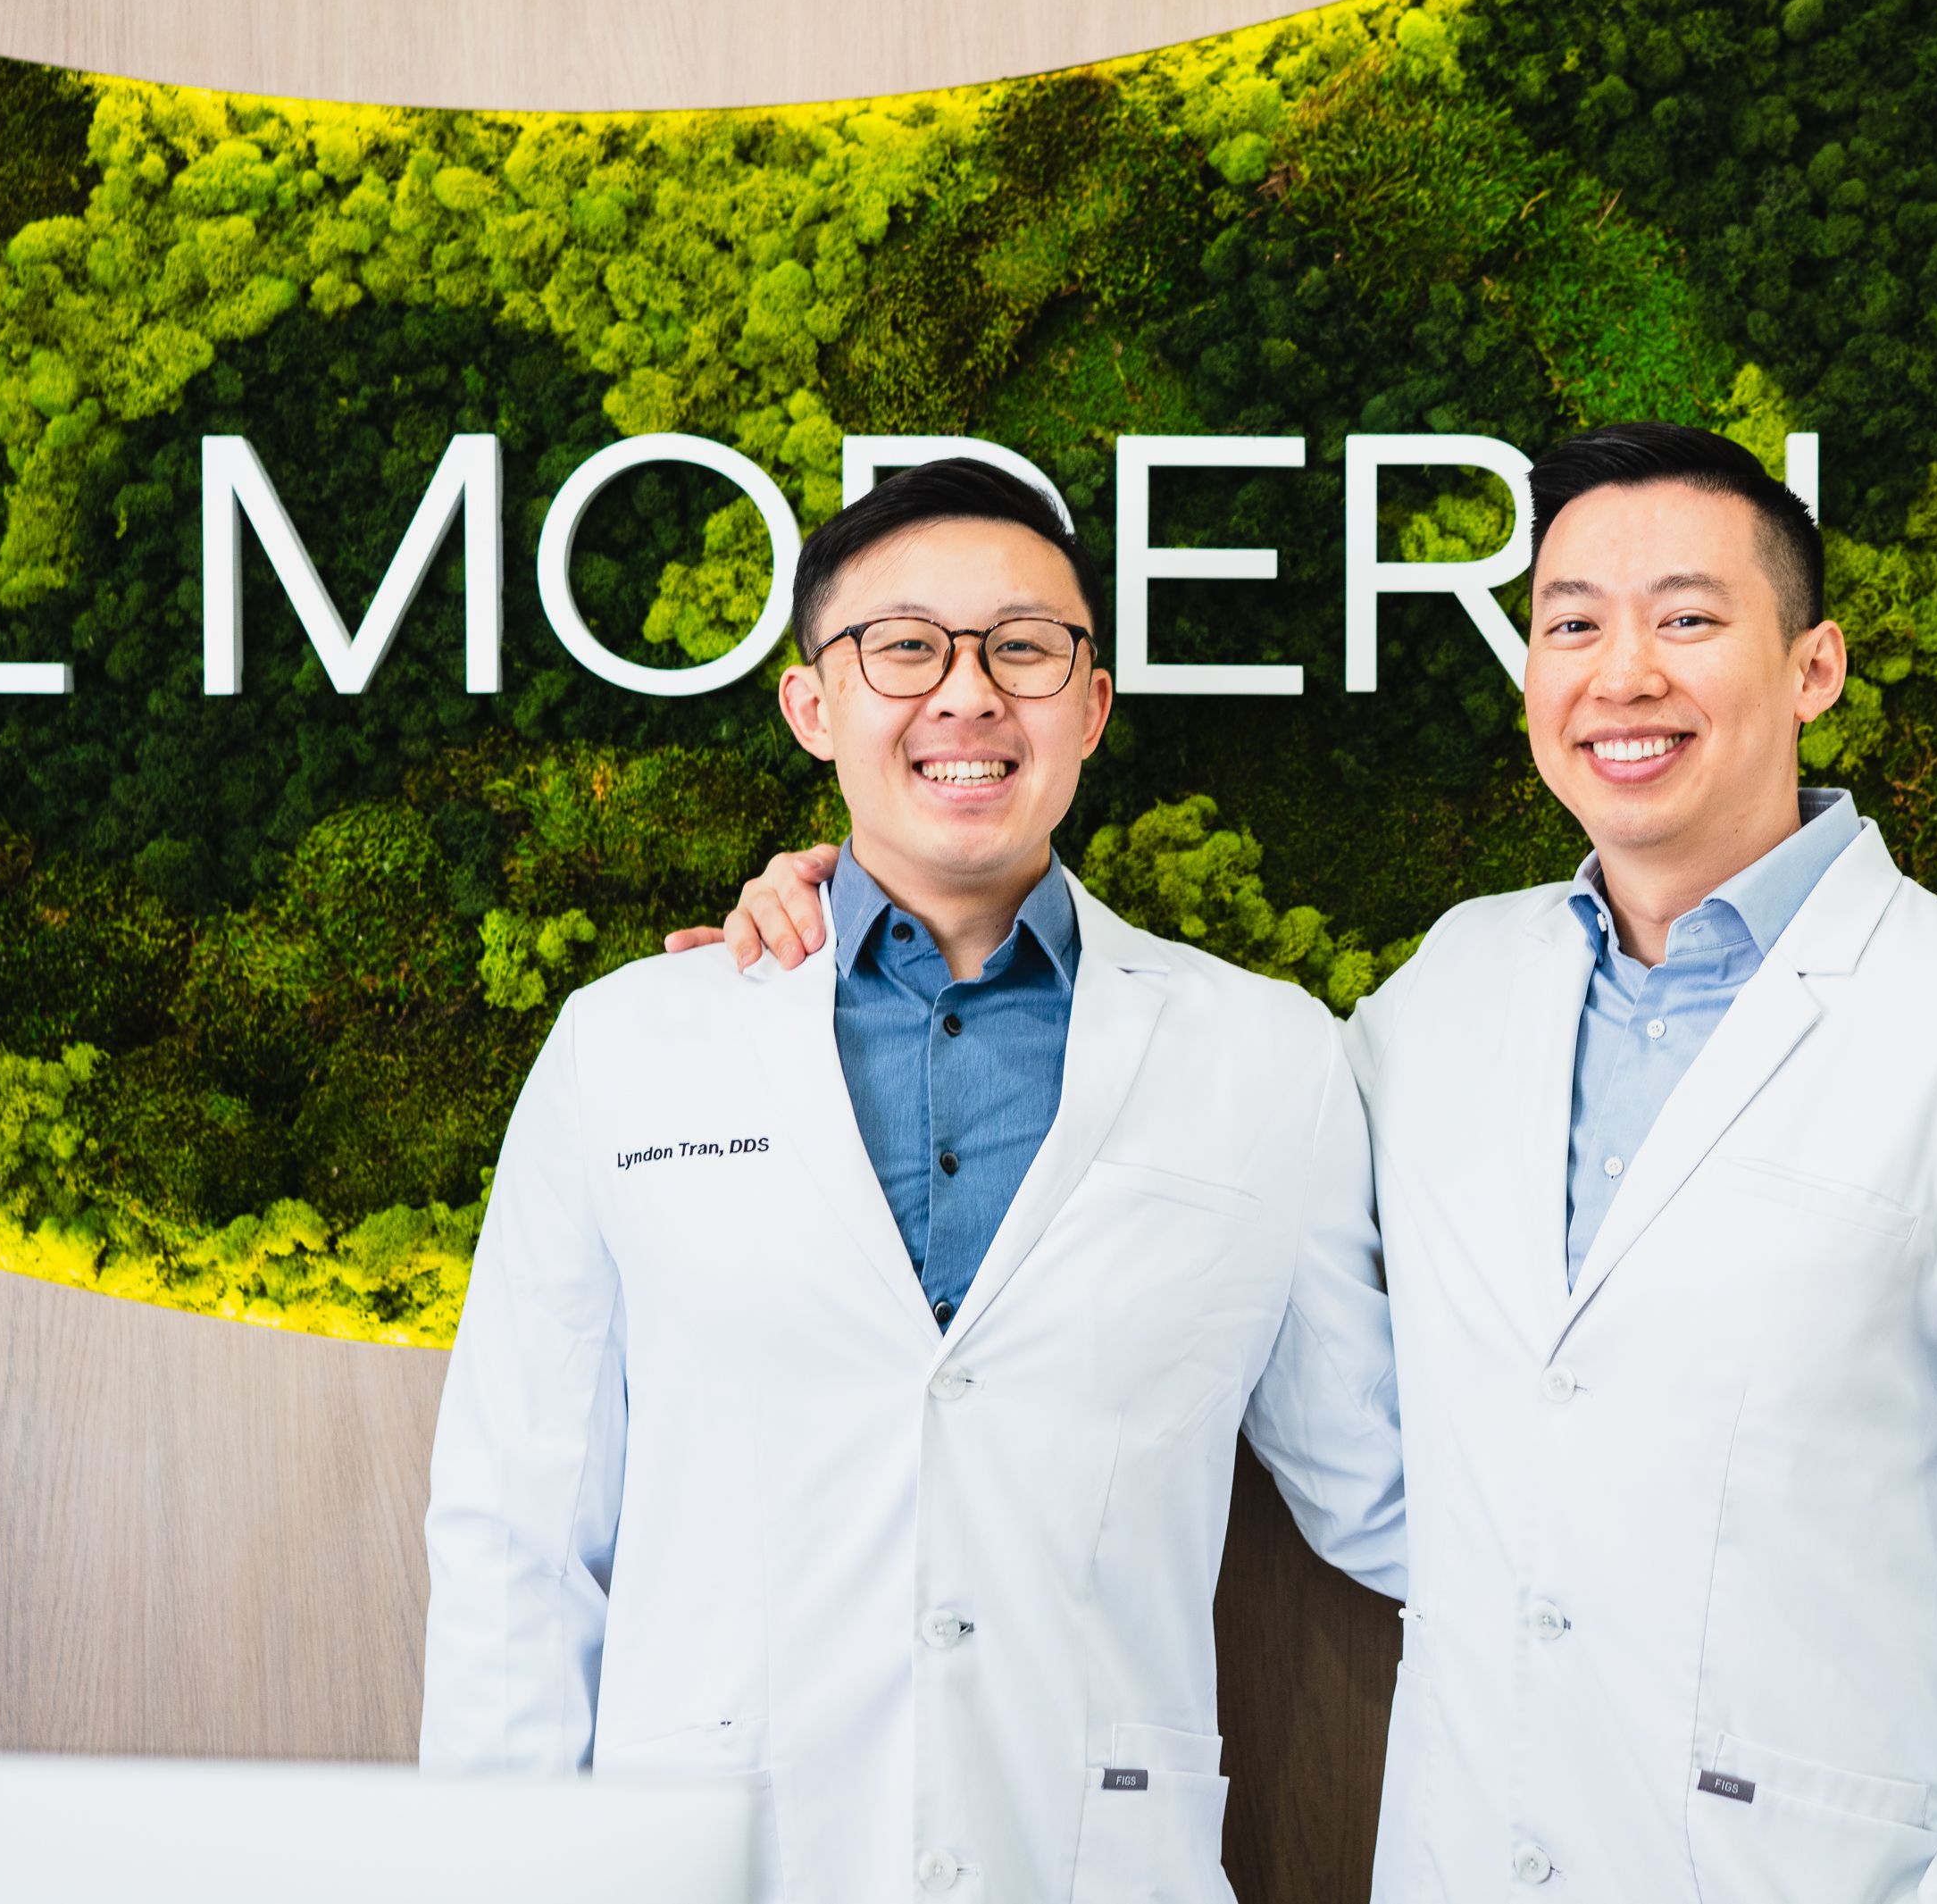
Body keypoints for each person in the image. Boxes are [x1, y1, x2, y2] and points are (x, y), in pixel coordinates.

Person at [694, 423, 1937, 1902]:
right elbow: (1295, 1315)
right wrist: (837, 921)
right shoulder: (1441, 999)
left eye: (1687, 618)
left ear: (1812, 668)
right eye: (1571, 624)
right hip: (1472, 1840)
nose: (1623, 674)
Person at [422, 457, 1405, 1904]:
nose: (965, 694)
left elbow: (1378, 1483)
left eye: (1023, 646)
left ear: (1091, 703)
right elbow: (518, 1530)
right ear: (814, 704)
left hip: (1084, 1858)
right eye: (903, 647)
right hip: (713, 1856)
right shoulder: (633, 1041)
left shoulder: (1268, 1057)